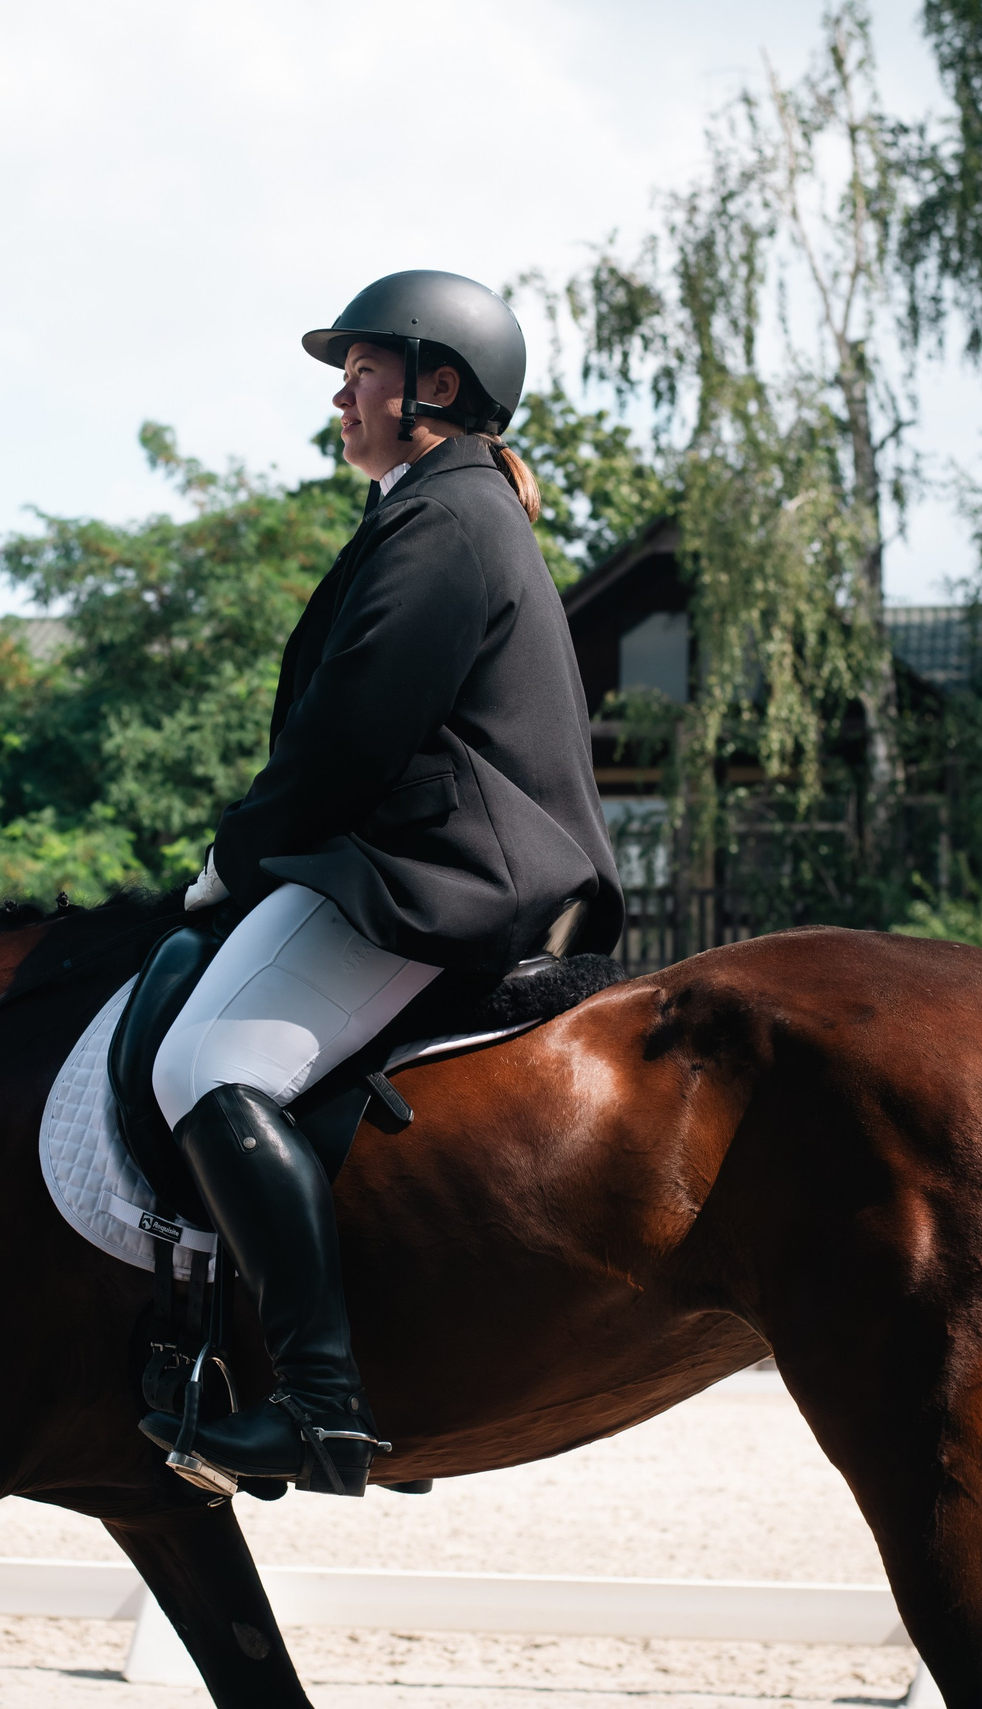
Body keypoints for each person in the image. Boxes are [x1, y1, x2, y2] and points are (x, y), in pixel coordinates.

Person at [138, 270, 624, 1496]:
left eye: (359, 370)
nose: (340, 396)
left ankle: (315, 1405)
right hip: (422, 852)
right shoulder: (431, 509)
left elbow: (350, 735)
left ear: (434, 384)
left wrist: (229, 861)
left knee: (208, 1064)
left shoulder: (449, 518)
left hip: (438, 871)